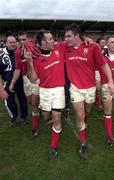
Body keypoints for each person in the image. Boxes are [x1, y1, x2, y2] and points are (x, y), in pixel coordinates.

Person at [64, 23, 114, 158]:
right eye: (65, 36)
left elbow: (104, 65)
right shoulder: (65, 48)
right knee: (80, 114)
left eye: (68, 36)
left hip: (90, 87)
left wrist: (110, 81)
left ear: (77, 36)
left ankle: (84, 122)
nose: (65, 39)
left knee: (86, 111)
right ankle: (83, 143)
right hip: (75, 88)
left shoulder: (92, 47)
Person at [26, 30, 65, 159]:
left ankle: (53, 147)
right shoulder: (37, 60)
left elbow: (72, 41)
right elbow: (32, 79)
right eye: (50, 39)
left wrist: (88, 39)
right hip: (45, 90)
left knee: (56, 117)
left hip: (59, 89)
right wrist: (30, 62)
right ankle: (44, 121)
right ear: (43, 42)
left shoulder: (59, 48)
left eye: (53, 38)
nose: (53, 41)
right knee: (46, 115)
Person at [9, 31, 40, 135]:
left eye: (24, 39)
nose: (22, 42)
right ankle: (38, 110)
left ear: (29, 39)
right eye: (20, 40)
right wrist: (13, 82)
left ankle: (34, 128)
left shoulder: (35, 48)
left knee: (34, 103)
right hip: (25, 79)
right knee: (30, 102)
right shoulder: (18, 52)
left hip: (36, 78)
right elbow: (17, 68)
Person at [0, 34, 28, 126]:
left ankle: (24, 117)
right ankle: (14, 117)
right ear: (6, 43)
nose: (12, 44)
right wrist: (1, 90)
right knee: (9, 102)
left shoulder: (21, 53)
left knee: (23, 100)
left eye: (14, 42)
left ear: (17, 43)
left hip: (21, 81)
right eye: (10, 42)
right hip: (8, 82)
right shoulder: (2, 56)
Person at [95, 38, 106, 111]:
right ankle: (99, 104)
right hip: (96, 71)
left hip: (103, 71)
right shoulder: (94, 51)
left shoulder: (105, 51)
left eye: (104, 42)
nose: (104, 44)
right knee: (98, 89)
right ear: (98, 43)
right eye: (102, 42)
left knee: (103, 88)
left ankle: (99, 101)